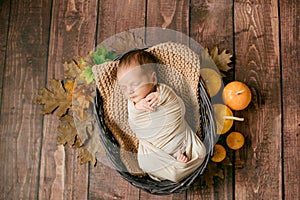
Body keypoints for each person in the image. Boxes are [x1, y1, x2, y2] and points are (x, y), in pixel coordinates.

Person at [116, 49, 206, 182]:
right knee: (144, 163)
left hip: (181, 140)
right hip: (155, 151)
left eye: (134, 84)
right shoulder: (133, 105)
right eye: (124, 88)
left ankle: (179, 163)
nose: (129, 91)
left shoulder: (163, 91)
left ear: (153, 79)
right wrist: (137, 108)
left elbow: (180, 108)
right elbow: (135, 126)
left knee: (201, 152)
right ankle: (178, 167)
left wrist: (162, 96)